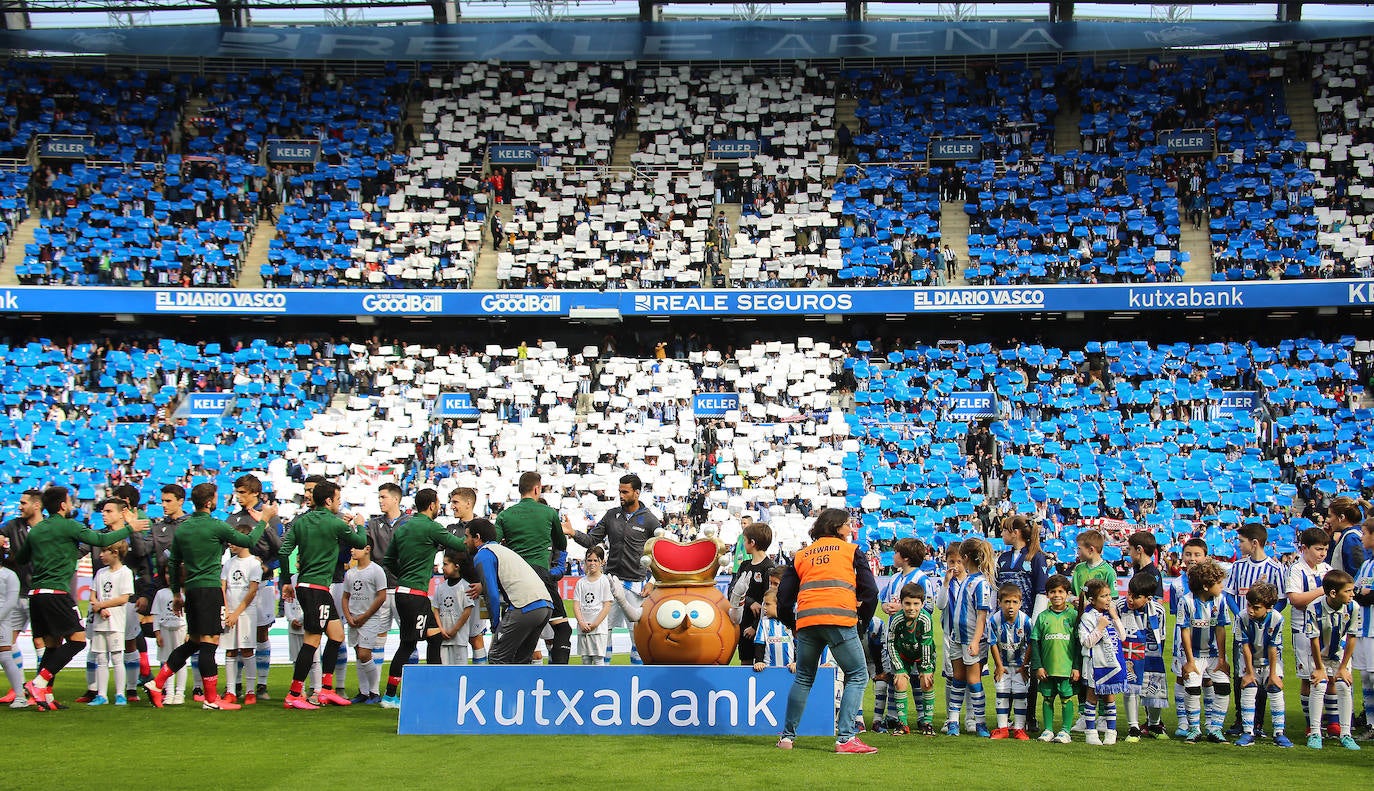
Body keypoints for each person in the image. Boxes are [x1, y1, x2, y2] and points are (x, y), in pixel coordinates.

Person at [143, 483, 272, 711]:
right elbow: (250, 542)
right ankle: (211, 700)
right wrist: (264, 520)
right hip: (209, 589)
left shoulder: (183, 529)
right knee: (209, 642)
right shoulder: (216, 526)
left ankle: (157, 682)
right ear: (210, 502)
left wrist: (176, 593)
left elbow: (172, 563)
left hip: (191, 590)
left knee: (193, 641)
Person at [19, 486, 146, 712]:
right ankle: (38, 683)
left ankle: (46, 698)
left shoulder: (36, 530)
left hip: (36, 595)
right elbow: (99, 539)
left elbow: (21, 558)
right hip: (56, 592)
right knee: (77, 641)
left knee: (52, 646)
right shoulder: (70, 526)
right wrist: (129, 528)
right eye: (69, 500)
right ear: (63, 505)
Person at [775, 508, 879, 754]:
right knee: (857, 675)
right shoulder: (852, 551)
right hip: (840, 619)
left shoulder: (801, 555)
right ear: (836, 527)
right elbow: (870, 592)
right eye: (847, 524)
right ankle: (845, 739)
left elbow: (783, 599)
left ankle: (787, 738)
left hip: (808, 621)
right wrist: (862, 620)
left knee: (803, 678)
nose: (851, 528)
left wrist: (794, 625)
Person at [277, 480, 367, 711]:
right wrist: (360, 525)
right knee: (312, 640)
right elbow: (360, 543)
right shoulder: (334, 523)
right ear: (328, 501)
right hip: (317, 589)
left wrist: (287, 580)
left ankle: (326, 690)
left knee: (337, 635)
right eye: (338, 499)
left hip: (310, 586)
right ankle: (294, 693)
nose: (339, 503)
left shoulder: (302, 521)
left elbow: (284, 551)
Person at [379, 487, 470, 707]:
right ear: (432, 505)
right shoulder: (431, 528)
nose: (440, 507)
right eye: (438, 504)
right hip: (415, 595)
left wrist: (404, 574)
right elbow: (460, 546)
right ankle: (391, 695)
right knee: (408, 644)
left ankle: (433, 688)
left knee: (435, 637)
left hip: (404, 592)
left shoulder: (403, 527)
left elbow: (388, 560)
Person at [564, 473, 657, 664]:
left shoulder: (649, 520)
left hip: (636, 586)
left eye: (625, 492)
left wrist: (653, 581)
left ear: (637, 493)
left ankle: (636, 679)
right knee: (604, 630)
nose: (621, 495)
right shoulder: (611, 515)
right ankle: (603, 675)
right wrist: (573, 533)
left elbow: (661, 552)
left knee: (636, 634)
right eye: (619, 491)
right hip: (611, 583)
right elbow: (592, 540)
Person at [496, 472, 570, 664]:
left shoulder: (505, 515)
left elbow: (493, 545)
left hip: (515, 578)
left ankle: (519, 681)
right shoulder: (548, 513)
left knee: (522, 633)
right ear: (537, 488)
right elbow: (561, 543)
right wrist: (559, 567)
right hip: (540, 575)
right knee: (562, 628)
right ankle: (560, 675)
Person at [1222, 523, 1287, 735]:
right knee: (1241, 674)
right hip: (1243, 630)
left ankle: (1257, 722)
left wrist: (1266, 617)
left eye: (1241, 541)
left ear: (1254, 543)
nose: (1238, 545)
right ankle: (1241, 719)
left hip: (1266, 632)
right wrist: (1240, 615)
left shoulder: (1276, 569)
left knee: (1265, 673)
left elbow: (1282, 600)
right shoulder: (1239, 567)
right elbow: (1229, 595)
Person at [466, 518, 553, 665]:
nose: (464, 541)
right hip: (545, 606)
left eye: (467, 536)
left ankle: (497, 688)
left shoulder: (483, 554)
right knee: (521, 660)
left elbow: (491, 593)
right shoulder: (503, 550)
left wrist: (495, 626)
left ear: (477, 538)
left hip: (524, 606)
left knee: (496, 657)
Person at [226, 474, 283, 702]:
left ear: (255, 493)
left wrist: (267, 567)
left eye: (243, 492)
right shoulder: (232, 520)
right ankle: (237, 684)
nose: (239, 497)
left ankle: (261, 683)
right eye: (237, 492)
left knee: (260, 632)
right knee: (237, 633)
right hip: (238, 584)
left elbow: (281, 552)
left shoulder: (272, 517)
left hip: (263, 584)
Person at [1174, 558, 1230, 743]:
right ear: (1206, 586)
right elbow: (1185, 631)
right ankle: (1194, 728)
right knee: (1192, 689)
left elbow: (1221, 629)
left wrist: (1222, 658)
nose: (1222, 586)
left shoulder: (1221, 600)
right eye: (1218, 583)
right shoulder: (1187, 601)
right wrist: (1189, 661)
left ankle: (1216, 728)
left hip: (1214, 654)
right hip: (1194, 655)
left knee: (1223, 687)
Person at [1305, 569, 1361, 750]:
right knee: (1319, 685)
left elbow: (1352, 637)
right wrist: (1320, 668)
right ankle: (1315, 732)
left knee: (1344, 686)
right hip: (1319, 654)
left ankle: (1346, 734)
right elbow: (1313, 640)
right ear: (1333, 593)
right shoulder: (1314, 608)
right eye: (1348, 591)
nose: (1352, 594)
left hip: (1339, 654)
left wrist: (1343, 667)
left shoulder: (1353, 607)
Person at [947, 537, 994, 738]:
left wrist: (975, 641)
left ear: (966, 558)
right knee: (957, 679)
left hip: (971, 640)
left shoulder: (981, 583)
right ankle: (953, 722)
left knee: (974, 681)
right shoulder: (967, 579)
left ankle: (980, 722)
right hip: (957, 637)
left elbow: (982, 615)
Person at [1287, 526, 1332, 735]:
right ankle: (1309, 722)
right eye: (1318, 549)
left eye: (1325, 549)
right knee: (1307, 676)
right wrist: (1323, 591)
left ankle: (1332, 721)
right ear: (1304, 548)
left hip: (1327, 629)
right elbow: (1296, 600)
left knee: (1329, 673)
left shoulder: (1327, 570)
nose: (1322, 553)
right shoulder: (1296, 570)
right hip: (1302, 629)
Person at [1234, 581, 1290, 748]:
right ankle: (1248, 731)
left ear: (1269, 607)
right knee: (1249, 691)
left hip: (1271, 661)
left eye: (1256, 607)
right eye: (1249, 605)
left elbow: (1273, 648)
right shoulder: (1242, 617)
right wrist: (1250, 673)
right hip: (1249, 660)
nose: (1251, 610)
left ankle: (1279, 732)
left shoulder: (1277, 619)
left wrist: (1273, 674)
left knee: (1275, 690)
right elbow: (1245, 646)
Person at [0, 488, 44, 698]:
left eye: (23, 503)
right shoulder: (14, 525)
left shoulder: (48, 527)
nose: (20, 506)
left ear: (36, 505)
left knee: (40, 642)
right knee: (8, 641)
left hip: (40, 592)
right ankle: (17, 687)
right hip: (17, 594)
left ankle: (39, 687)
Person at [1117, 574, 1168, 741]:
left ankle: (1154, 724)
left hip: (1151, 653)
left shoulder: (1158, 611)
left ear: (1148, 598)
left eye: (1136, 597)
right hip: (1129, 652)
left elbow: (1162, 635)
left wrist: (1156, 656)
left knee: (1154, 687)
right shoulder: (1119, 606)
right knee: (1130, 687)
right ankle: (1133, 726)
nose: (1130, 599)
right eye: (1129, 594)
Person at [1030, 574, 1079, 743]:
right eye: (1053, 592)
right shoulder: (1043, 617)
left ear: (1067, 594)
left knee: (1066, 698)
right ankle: (1048, 729)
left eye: (1060, 591)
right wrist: (1038, 666)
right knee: (1047, 698)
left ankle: (1065, 731)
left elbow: (1079, 644)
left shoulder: (1073, 616)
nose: (1057, 595)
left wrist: (1076, 667)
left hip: (1066, 667)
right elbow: (1035, 642)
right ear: (1047, 595)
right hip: (1047, 668)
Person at [1078, 579, 1128, 746]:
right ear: (1092, 599)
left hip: (1112, 663)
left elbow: (1123, 637)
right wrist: (1099, 628)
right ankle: (1091, 733)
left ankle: (1111, 731)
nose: (1108, 600)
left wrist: (1115, 618)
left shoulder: (1110, 614)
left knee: (1109, 697)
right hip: (1095, 664)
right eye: (1103, 596)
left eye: (1109, 596)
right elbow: (1086, 642)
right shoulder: (1087, 616)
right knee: (1092, 697)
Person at [1168, 537, 1209, 734]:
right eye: (1188, 554)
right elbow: (1176, 614)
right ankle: (1183, 721)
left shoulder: (1212, 583)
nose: (1192, 558)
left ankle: (1210, 721)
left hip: (1207, 640)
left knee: (1208, 678)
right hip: (1182, 639)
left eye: (1197, 555)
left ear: (1205, 557)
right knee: (1181, 676)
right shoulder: (1176, 584)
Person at [883, 583, 936, 736]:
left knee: (926, 683)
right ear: (901, 603)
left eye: (916, 604)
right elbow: (891, 643)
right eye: (907, 603)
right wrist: (899, 668)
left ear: (922, 604)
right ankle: (902, 723)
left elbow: (927, 645)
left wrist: (926, 669)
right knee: (899, 682)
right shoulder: (896, 620)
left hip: (923, 655)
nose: (911, 608)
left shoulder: (925, 619)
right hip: (903, 654)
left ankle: (927, 723)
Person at [89, 541, 134, 706]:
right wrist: (100, 608)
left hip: (116, 622)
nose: (100, 555)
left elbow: (124, 598)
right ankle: (101, 695)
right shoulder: (100, 573)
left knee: (116, 658)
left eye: (104, 552)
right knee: (101, 658)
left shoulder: (125, 573)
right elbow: (93, 596)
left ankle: (120, 694)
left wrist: (102, 605)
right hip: (100, 621)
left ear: (115, 552)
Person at [446, 487, 487, 665]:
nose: (452, 506)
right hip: (453, 592)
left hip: (476, 591)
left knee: (475, 637)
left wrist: (483, 586)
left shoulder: (484, 527)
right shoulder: (449, 529)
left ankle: (481, 679)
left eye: (455, 502)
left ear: (468, 503)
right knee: (452, 637)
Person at [342, 541, 387, 704]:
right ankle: (363, 691)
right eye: (351, 547)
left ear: (367, 549)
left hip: (370, 618)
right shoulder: (350, 573)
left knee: (364, 654)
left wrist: (365, 616)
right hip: (354, 619)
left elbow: (382, 596)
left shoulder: (376, 570)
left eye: (356, 547)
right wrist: (348, 616)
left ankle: (374, 691)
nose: (352, 550)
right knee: (358, 654)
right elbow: (345, 596)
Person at [220, 532, 261, 705]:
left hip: (246, 614)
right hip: (229, 614)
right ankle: (230, 690)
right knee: (230, 651)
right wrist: (227, 611)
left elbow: (252, 591)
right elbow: (222, 587)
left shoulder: (254, 564)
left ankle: (250, 690)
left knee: (247, 651)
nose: (230, 544)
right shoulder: (228, 563)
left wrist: (237, 613)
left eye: (234, 541)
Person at [988, 583, 1032, 740]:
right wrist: (999, 665)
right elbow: (992, 643)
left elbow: (1031, 643)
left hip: (1020, 666)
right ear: (999, 603)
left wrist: (1025, 665)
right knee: (1002, 693)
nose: (1010, 606)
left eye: (1014, 602)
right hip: (1004, 665)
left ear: (1020, 603)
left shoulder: (1026, 621)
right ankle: (1003, 728)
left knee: (1020, 694)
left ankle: (1019, 728)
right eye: (1007, 602)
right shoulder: (994, 620)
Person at [728, 521, 775, 667]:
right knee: (745, 662)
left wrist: (756, 626)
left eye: (745, 540)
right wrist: (749, 602)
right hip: (744, 622)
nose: (743, 544)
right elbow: (733, 591)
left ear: (752, 542)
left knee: (763, 662)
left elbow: (770, 599)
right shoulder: (744, 566)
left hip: (761, 626)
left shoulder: (769, 568)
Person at [431, 551, 474, 666]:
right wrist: (441, 629)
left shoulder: (465, 587)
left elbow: (467, 611)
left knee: (460, 672)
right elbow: (436, 609)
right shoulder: (440, 587)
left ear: (456, 567)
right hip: (444, 639)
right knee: (445, 672)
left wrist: (454, 630)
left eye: (445, 564)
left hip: (459, 639)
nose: (443, 568)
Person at [574, 545, 613, 666]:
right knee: (585, 659)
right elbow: (576, 605)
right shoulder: (581, 582)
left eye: (595, 560)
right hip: (583, 628)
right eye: (589, 560)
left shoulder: (604, 581)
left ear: (602, 562)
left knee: (598, 659)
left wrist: (595, 624)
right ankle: (586, 684)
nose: (592, 563)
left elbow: (607, 605)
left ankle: (600, 684)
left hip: (598, 629)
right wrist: (581, 623)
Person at [1353, 518, 1374, 741]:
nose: (1361, 537)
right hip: (1363, 628)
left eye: (1365, 533)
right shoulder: (1366, 565)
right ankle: (1371, 724)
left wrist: (1366, 596)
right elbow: (1355, 593)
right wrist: (1363, 596)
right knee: (1366, 677)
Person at [151, 584, 187, 705]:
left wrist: (189, 632)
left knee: (180, 661)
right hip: (165, 630)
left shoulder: (185, 592)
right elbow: (156, 614)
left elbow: (190, 613)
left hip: (181, 629)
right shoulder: (161, 593)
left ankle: (180, 693)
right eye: (167, 572)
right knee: (167, 662)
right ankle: (169, 692)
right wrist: (157, 633)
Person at [0, 558, 25, 707]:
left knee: (5, 658)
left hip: (2, 623)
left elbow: (10, 601)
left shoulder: (9, 575)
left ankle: (20, 697)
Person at [753, 588, 796, 673]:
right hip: (769, 670)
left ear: (778, 604)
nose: (764, 607)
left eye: (767, 604)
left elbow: (798, 644)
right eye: (764, 604)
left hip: (789, 669)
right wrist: (759, 661)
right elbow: (759, 644)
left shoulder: (791, 621)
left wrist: (796, 662)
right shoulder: (764, 622)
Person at [1071, 530, 1116, 607]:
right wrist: (1073, 599)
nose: (1077, 552)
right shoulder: (1078, 568)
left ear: (1091, 550)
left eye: (1079, 549)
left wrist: (1090, 605)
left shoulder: (1108, 571)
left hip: (1098, 617)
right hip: (1078, 615)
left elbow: (1113, 600)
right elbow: (1071, 592)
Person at [1326, 496, 1367, 578]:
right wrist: (1329, 538)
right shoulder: (1351, 535)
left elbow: (1357, 573)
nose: (1328, 520)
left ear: (1342, 517)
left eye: (1330, 516)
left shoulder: (1351, 538)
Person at [1125, 531, 1161, 598]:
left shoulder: (1153, 573)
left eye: (1130, 549)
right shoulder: (1136, 569)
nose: (1129, 554)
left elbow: (1158, 601)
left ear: (1139, 549)